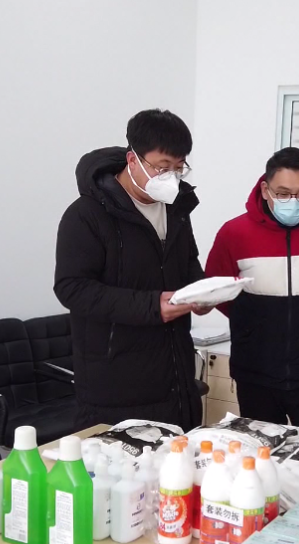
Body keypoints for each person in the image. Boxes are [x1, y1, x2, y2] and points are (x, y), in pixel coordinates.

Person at [53, 109, 207, 432]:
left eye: (179, 168)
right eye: (162, 167)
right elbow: (72, 288)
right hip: (116, 387)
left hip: (176, 378)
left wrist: (203, 291)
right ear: (132, 159)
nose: (171, 177)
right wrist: (152, 306)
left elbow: (187, 262)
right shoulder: (87, 215)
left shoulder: (176, 208)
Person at [205, 147, 299, 438]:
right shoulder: (234, 233)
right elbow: (219, 291)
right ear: (266, 190)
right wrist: (253, 322)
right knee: (261, 455)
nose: (294, 201)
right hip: (255, 373)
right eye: (284, 193)